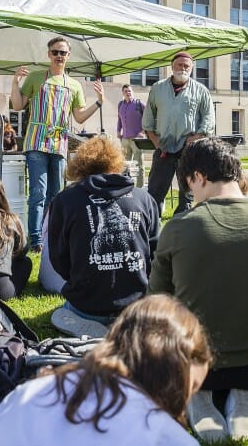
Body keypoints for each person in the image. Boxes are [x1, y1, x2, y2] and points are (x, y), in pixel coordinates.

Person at [148, 138, 248, 442]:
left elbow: (157, 304)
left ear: (199, 177)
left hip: (191, 365)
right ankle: (244, 397)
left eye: (189, 186)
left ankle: (199, 397)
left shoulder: (178, 229)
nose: (191, 194)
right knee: (244, 381)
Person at [0, 294, 211, 446]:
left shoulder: (27, 393)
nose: (185, 403)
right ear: (171, 378)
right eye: (188, 388)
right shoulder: (171, 443)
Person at [47, 136, 161, 338]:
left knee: (62, 313)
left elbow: (59, 259)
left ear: (80, 166)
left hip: (86, 307)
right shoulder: (144, 199)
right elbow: (154, 255)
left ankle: (94, 328)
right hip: (136, 306)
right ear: (117, 162)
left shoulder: (65, 201)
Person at [10, 37, 104, 248]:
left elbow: (79, 117)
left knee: (56, 194)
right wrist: (14, 82)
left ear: (68, 56)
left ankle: (52, 234)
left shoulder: (74, 85)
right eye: (55, 52)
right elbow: (17, 105)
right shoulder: (35, 78)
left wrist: (98, 102)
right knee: (38, 192)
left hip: (59, 143)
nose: (59, 56)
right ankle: (36, 239)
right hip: (36, 142)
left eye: (63, 53)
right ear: (49, 54)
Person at [142, 51, 214, 215]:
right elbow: (148, 118)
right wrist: (155, 140)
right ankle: (151, 230)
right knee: (155, 193)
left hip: (189, 151)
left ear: (192, 68)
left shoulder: (201, 91)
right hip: (164, 150)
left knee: (187, 195)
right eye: (179, 65)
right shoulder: (157, 88)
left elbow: (209, 117)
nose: (183, 68)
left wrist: (197, 137)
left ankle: (181, 228)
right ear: (172, 66)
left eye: (186, 66)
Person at [116, 84, 146, 187]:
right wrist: (118, 130)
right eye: (126, 91)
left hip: (137, 140)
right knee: (124, 165)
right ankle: (125, 187)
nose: (128, 93)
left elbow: (149, 118)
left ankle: (140, 188)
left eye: (129, 91)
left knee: (139, 166)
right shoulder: (120, 105)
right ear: (123, 93)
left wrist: (143, 132)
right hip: (124, 139)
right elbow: (119, 119)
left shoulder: (139, 103)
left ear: (132, 92)